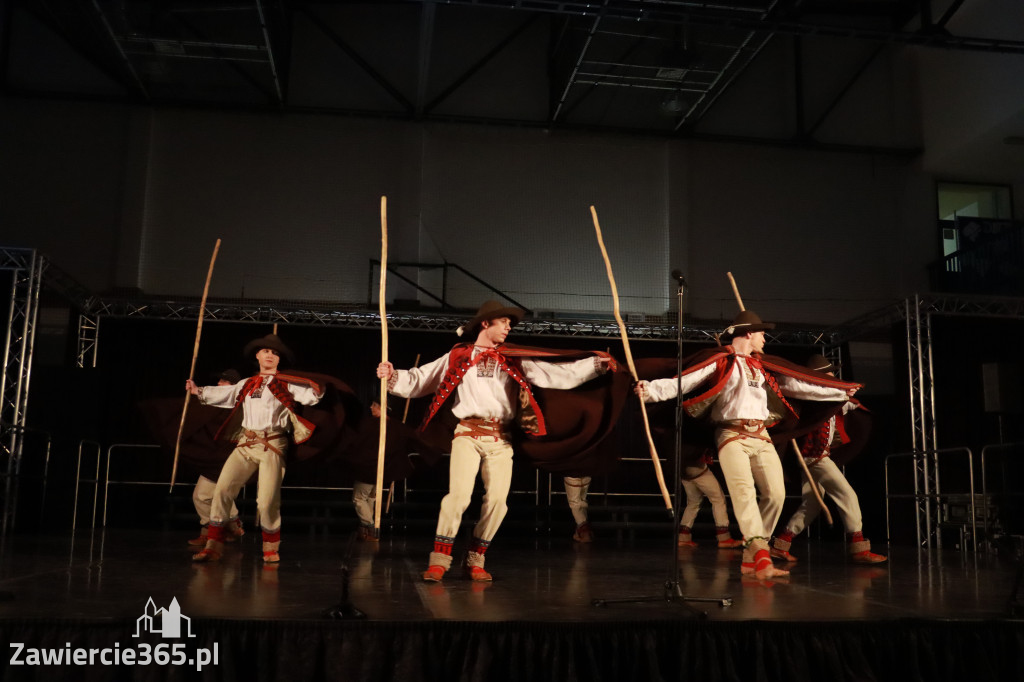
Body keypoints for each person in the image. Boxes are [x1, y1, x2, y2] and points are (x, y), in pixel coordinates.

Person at [376, 300, 612, 582]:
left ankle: (476, 558)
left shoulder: (513, 357)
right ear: (485, 323)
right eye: (504, 322)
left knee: (499, 502)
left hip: (500, 439)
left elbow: (554, 374)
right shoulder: (459, 355)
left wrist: (595, 365)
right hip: (467, 433)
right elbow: (421, 379)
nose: (509, 327)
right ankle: (439, 560)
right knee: (459, 496)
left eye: (510, 323)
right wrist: (392, 376)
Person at [635, 310, 860, 580]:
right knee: (744, 493)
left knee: (776, 495)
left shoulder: (762, 366)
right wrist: (649, 391)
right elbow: (684, 381)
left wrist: (837, 391)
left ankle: (752, 556)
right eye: (762, 334)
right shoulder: (721, 362)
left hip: (761, 436)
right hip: (731, 436)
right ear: (749, 334)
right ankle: (761, 556)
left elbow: (798, 386)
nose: (765, 339)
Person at [186, 334, 323, 564]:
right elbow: (225, 394)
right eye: (266, 351)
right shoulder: (246, 383)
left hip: (272, 444)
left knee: (267, 500)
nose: (270, 355)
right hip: (245, 443)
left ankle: (270, 547)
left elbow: (311, 397)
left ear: (279, 360)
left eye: (275, 353)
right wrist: (198, 391)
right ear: (257, 355)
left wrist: (316, 391)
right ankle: (213, 545)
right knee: (222, 490)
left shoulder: (286, 383)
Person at [771, 356, 887, 564]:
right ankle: (858, 548)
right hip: (815, 457)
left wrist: (851, 398)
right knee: (848, 496)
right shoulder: (814, 399)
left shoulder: (832, 398)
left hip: (815, 458)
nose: (834, 376)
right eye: (829, 373)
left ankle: (781, 544)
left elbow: (847, 405)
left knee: (812, 504)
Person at [187, 369, 246, 548]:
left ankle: (215, 530)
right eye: (219, 381)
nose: (219, 384)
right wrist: (196, 391)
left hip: (227, 458)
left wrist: (199, 391)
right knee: (217, 495)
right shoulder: (216, 406)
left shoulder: (237, 404)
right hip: (217, 458)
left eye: (224, 382)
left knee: (202, 495)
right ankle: (233, 525)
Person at [676, 454, 743, 549]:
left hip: (682, 469)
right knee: (718, 500)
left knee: (693, 503)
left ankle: (683, 537)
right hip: (696, 467)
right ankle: (724, 538)